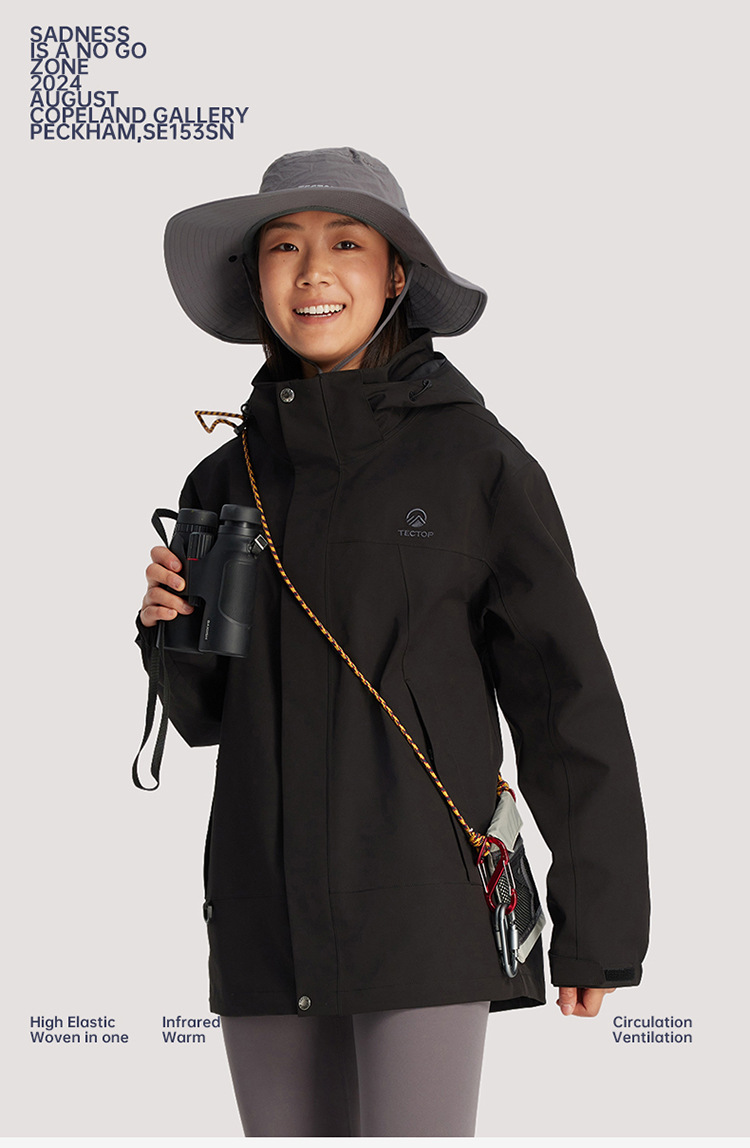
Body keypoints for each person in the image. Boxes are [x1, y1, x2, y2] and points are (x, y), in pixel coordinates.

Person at [136, 147, 649, 1137]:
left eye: (346, 245)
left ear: (397, 274)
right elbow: (207, 717)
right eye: (283, 247)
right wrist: (166, 630)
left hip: (425, 914)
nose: (313, 272)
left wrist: (600, 927)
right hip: (261, 914)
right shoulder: (222, 479)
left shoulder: (476, 462)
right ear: (256, 280)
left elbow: (565, 699)